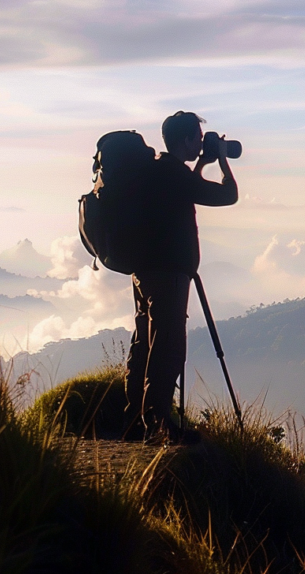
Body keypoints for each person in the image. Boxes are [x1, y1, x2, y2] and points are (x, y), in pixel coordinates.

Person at [124, 111, 238, 443]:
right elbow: (227, 195)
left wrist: (202, 164)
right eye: (199, 139)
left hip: (145, 273)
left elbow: (191, 188)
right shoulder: (173, 174)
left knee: (145, 345)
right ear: (187, 139)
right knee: (169, 349)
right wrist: (222, 162)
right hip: (169, 275)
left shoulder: (160, 170)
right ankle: (158, 426)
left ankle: (135, 421)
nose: (202, 144)